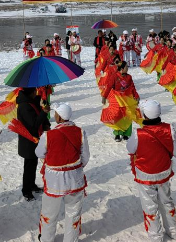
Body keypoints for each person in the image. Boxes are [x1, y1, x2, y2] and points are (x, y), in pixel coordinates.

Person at [127, 99, 176, 242]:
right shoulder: (169, 129)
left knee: (149, 204)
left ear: (145, 115)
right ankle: (174, 232)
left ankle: (156, 236)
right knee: (166, 201)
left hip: (145, 173)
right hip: (163, 172)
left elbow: (130, 149)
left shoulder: (138, 133)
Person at [36, 103, 90, 242]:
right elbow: (85, 156)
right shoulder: (80, 132)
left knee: (49, 212)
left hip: (54, 180)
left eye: (55, 114)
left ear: (59, 117)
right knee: (73, 212)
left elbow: (39, 153)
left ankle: (46, 239)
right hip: (75, 178)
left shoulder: (48, 135)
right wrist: (75, 167)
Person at [16, 87, 51, 201]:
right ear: (30, 92)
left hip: (35, 139)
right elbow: (33, 124)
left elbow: (38, 115)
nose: (36, 92)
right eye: (35, 91)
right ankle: (26, 190)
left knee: (33, 163)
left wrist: (46, 123)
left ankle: (32, 185)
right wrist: (44, 113)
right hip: (28, 141)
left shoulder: (32, 101)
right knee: (29, 166)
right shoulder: (24, 106)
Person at [101, 61, 140, 141]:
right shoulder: (114, 77)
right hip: (117, 100)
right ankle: (117, 134)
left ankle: (126, 134)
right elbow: (109, 87)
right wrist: (104, 97)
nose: (127, 68)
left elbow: (132, 87)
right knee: (117, 116)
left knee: (128, 115)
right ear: (122, 69)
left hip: (127, 99)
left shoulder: (129, 77)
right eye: (126, 67)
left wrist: (136, 96)